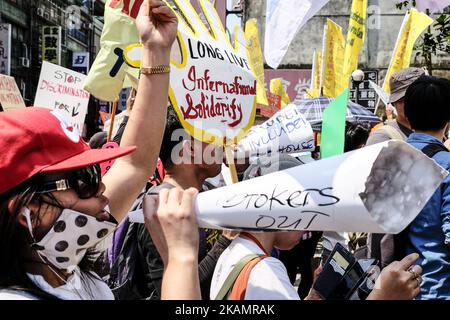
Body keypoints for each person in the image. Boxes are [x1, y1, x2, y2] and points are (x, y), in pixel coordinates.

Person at [0, 0, 178, 300]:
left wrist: (156, 51)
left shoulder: (68, 268)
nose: (100, 190)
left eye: (94, 171)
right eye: (82, 179)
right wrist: (181, 261)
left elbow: (135, 164)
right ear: (28, 210)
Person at [209, 155, 422, 300]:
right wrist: (383, 295)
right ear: (279, 208)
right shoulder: (265, 271)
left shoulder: (235, 250)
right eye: (304, 209)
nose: (309, 224)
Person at [110, 107, 236, 300]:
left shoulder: (206, 194)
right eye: (211, 137)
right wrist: (225, 242)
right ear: (190, 149)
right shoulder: (159, 209)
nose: (220, 144)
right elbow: (173, 293)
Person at [365, 67, 425, 268]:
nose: (405, 105)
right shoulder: (384, 136)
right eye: (400, 100)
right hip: (390, 247)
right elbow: (370, 193)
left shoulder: (433, 133)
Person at [404, 75, 450, 299]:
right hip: (437, 286)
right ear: (447, 120)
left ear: (408, 116)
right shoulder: (447, 165)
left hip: (392, 284)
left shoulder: (386, 158)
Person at [366, 67, 425, 145]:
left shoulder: (436, 131)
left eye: (418, 97)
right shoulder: (382, 138)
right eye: (403, 100)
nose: (411, 103)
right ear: (394, 103)